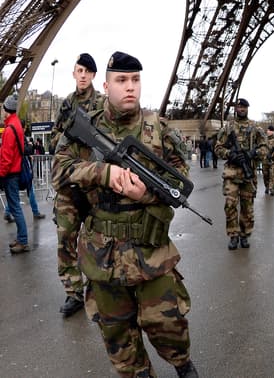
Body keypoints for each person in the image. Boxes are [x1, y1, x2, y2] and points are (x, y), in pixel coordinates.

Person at [51, 51, 197, 377]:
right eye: (121, 80)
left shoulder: (158, 128)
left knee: (169, 325)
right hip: (102, 254)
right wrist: (103, 174)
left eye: (135, 80)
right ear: (106, 85)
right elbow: (58, 172)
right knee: (118, 335)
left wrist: (144, 193)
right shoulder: (83, 126)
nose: (130, 87)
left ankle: (182, 364)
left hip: (150, 249)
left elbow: (180, 181)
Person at [49, 53, 107, 316]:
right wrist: (62, 141)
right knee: (65, 240)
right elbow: (54, 137)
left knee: (99, 241)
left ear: (93, 75)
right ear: (73, 74)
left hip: (94, 183)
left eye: (87, 71)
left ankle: (102, 289)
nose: (82, 75)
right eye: (78, 70)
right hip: (69, 182)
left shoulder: (103, 104)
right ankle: (73, 292)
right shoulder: (67, 104)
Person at [214, 98, 267, 250]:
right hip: (231, 174)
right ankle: (233, 235)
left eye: (244, 106)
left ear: (247, 108)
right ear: (235, 108)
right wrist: (230, 154)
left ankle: (244, 235)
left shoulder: (255, 127)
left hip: (248, 174)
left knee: (247, 207)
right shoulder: (228, 128)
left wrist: (252, 153)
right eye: (239, 106)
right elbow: (218, 148)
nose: (241, 109)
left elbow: (265, 147)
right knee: (230, 206)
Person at [2, 95, 30, 254]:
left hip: (10, 173)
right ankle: (21, 238)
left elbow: (6, 156)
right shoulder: (16, 124)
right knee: (15, 206)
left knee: (15, 208)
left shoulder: (9, 129)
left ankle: (23, 241)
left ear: (6, 110)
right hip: (16, 171)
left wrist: (1, 174)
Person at [262, 125, 274, 196]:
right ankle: (267, 186)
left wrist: (272, 155)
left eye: (270, 130)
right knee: (265, 175)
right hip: (264, 161)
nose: (268, 131)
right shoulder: (264, 139)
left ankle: (272, 189)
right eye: (268, 130)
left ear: (273, 132)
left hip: (272, 161)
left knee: (272, 175)